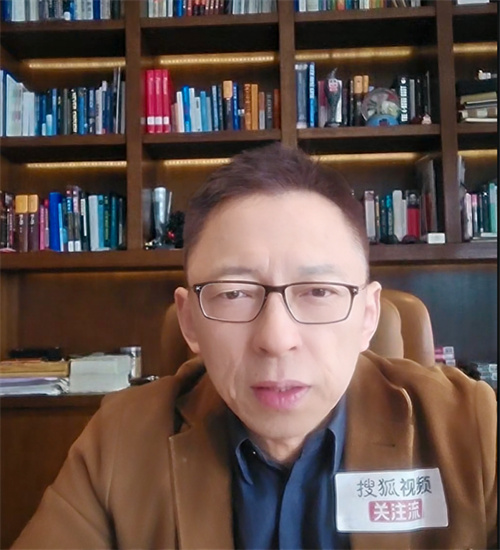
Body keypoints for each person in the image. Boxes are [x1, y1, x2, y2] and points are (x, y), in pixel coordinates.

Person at [13, 143, 497, 549]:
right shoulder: (120, 440)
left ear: (368, 316)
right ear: (190, 321)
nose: (276, 340)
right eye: (235, 293)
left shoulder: (473, 430)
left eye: (318, 291)